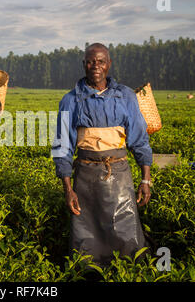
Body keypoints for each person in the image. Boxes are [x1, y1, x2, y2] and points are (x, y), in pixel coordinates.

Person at [52, 43, 152, 268]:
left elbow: (139, 140)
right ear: (84, 65)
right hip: (85, 178)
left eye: (100, 61)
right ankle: (88, 272)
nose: (95, 66)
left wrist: (145, 179)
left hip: (120, 174)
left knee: (126, 230)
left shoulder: (126, 96)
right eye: (90, 61)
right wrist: (68, 189)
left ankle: (128, 270)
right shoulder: (70, 100)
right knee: (86, 235)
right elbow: (62, 148)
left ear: (109, 64)